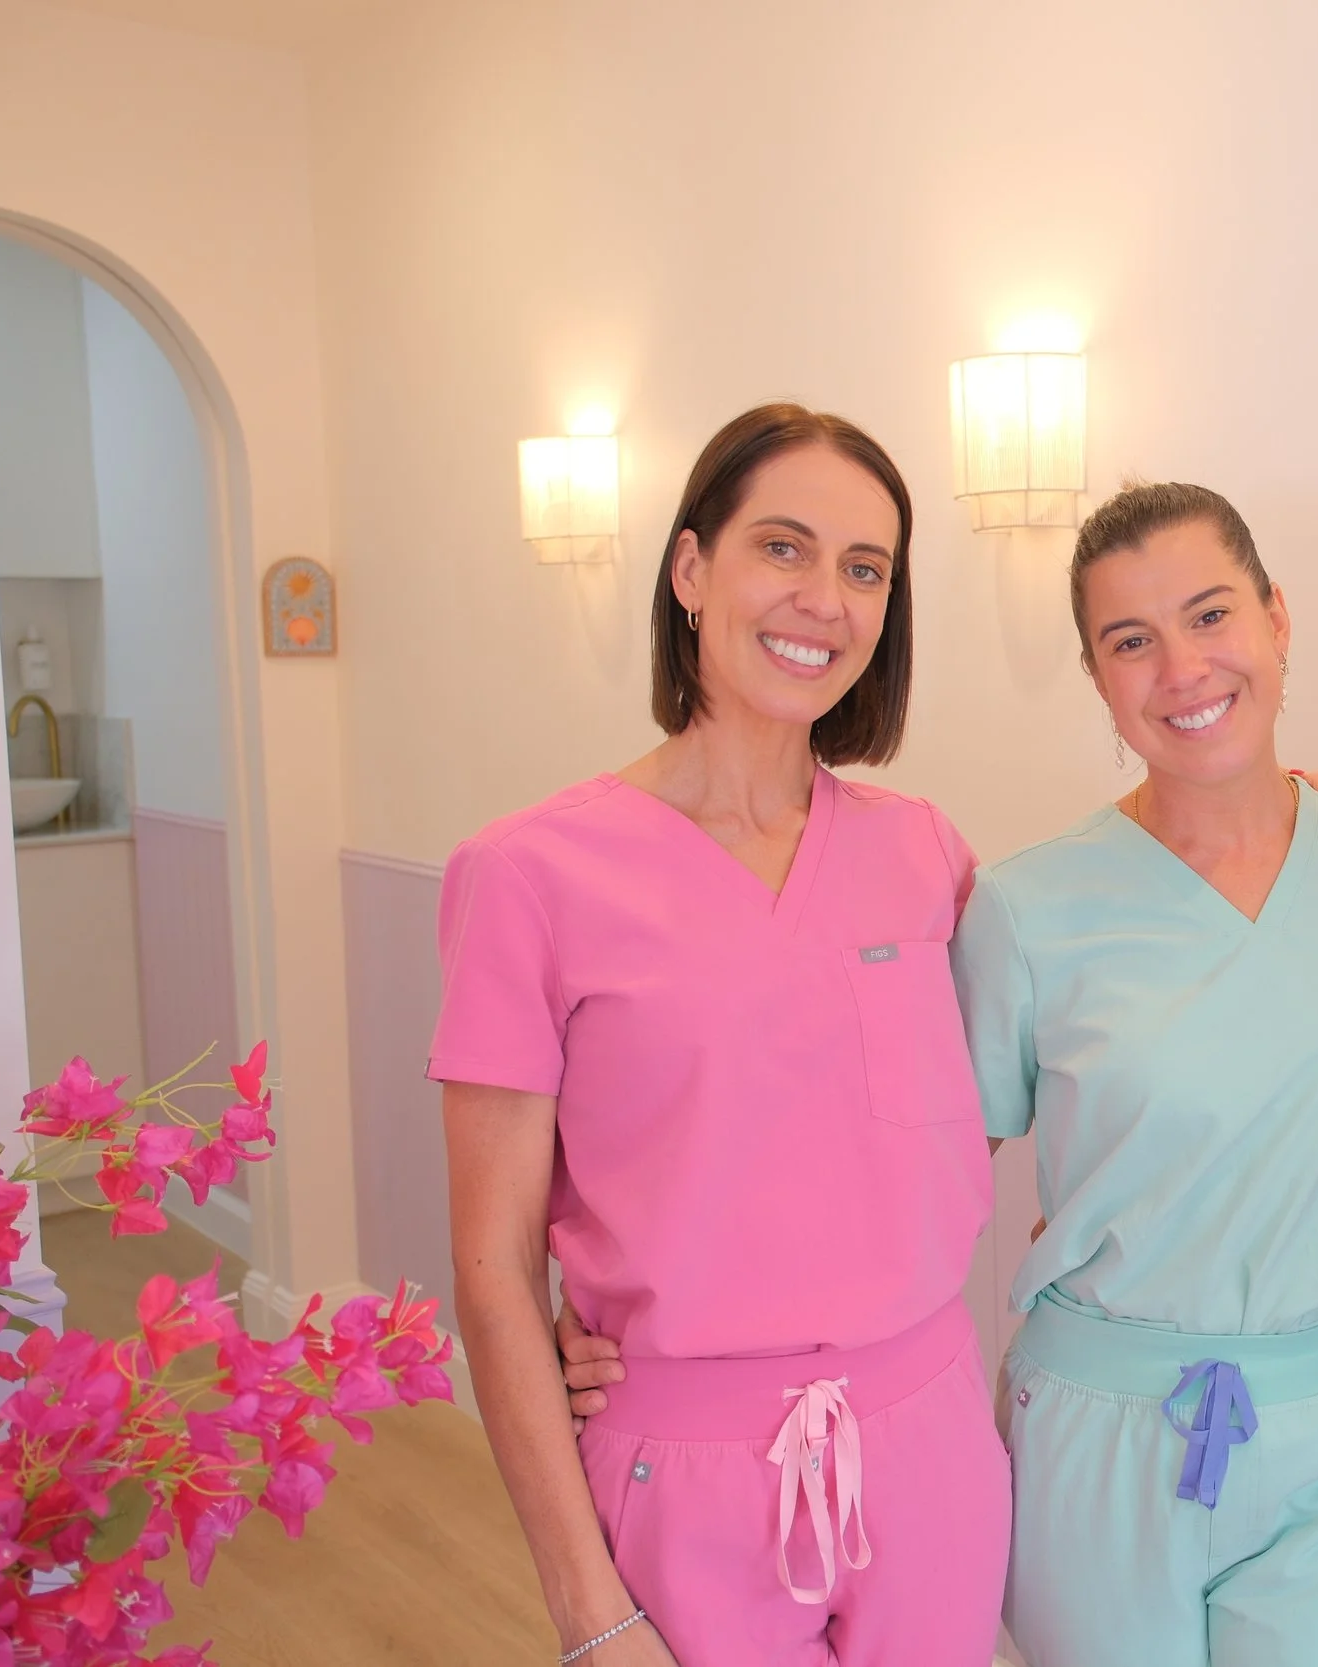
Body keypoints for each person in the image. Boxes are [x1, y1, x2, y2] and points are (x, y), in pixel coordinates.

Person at [432, 405, 1010, 1667]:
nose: (826, 598)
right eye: (783, 548)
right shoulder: (528, 876)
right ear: (691, 569)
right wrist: (591, 1611)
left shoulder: (924, 853)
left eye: (866, 568)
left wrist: (1273, 796)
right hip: (680, 1476)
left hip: (932, 1448)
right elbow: (489, 1267)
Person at [954, 482, 1318, 1667]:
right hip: (1096, 1424)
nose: (1180, 667)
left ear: (1278, 620)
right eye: (1129, 640)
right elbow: (921, 1182)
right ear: (1096, 677)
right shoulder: (1026, 908)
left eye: (1210, 615)